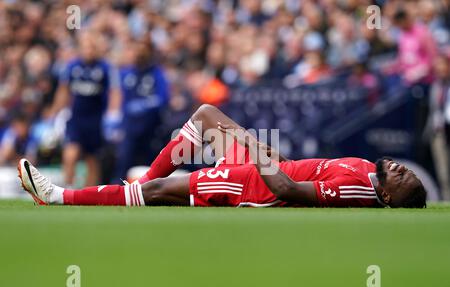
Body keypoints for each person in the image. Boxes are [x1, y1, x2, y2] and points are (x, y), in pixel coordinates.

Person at [18, 104, 427, 209]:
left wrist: (255, 152)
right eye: (405, 169)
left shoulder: (359, 190)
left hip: (253, 185)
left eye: (405, 179)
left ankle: (56, 195)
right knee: (207, 117)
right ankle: (135, 187)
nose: (401, 168)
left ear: (389, 198)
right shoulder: (366, 171)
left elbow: (288, 189)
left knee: (159, 190)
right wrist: (269, 152)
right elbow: (297, 170)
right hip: (265, 167)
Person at [48, 32, 121, 188]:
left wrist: (113, 114)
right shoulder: (72, 66)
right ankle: (67, 188)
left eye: (91, 47)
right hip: (76, 118)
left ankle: (89, 193)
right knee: (70, 152)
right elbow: (63, 91)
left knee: (92, 159)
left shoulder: (105, 68)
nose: (88, 50)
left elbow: (114, 92)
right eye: (85, 47)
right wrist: (54, 112)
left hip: (96, 120)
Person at [111, 37, 170, 183]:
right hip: (130, 129)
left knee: (151, 165)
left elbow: (163, 98)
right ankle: (116, 192)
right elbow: (118, 97)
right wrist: (114, 118)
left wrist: (145, 105)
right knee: (123, 163)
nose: (139, 53)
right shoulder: (125, 74)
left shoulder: (157, 74)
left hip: (151, 129)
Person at [424, 54, 450, 200]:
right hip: (438, 133)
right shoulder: (435, 86)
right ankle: (447, 200)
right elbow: (434, 110)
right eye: (437, 65)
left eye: (443, 65)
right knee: (442, 171)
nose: (440, 68)